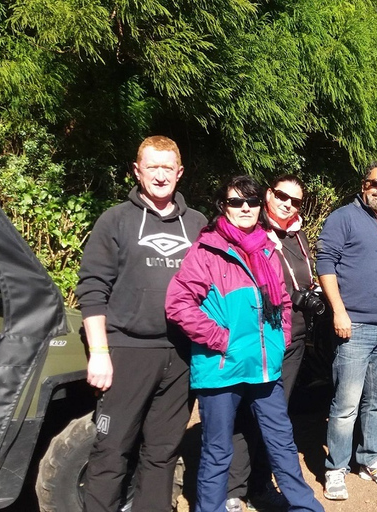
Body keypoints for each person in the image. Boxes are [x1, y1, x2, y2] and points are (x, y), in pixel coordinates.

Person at [165, 176, 324, 512]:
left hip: (264, 367)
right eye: (237, 202)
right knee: (218, 450)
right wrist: (221, 339)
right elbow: (178, 304)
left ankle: (305, 507)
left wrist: (280, 339)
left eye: (251, 202)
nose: (245, 208)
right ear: (223, 206)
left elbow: (281, 300)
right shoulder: (206, 251)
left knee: (281, 442)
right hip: (222, 367)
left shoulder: (265, 249)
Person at [76, 136, 207, 512]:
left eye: (168, 168)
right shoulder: (115, 220)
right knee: (111, 449)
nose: (161, 176)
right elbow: (92, 289)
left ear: (179, 173)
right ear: (137, 171)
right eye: (153, 167)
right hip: (126, 351)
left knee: (163, 452)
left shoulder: (198, 225)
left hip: (181, 355)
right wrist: (99, 352)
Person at [226, 175, 314, 511]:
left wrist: (310, 293)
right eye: (281, 196)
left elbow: (299, 277)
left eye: (295, 201)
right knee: (245, 412)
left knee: (275, 415)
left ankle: (260, 484)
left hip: (294, 339)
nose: (287, 203)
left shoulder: (298, 235)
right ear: (268, 195)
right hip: (259, 338)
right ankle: (233, 488)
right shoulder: (251, 231)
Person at [317, 162, 377, 500]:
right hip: (355, 326)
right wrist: (339, 311)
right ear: (363, 184)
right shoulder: (342, 218)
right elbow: (325, 264)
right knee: (346, 404)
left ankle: (371, 459)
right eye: (375, 183)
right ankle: (336, 468)